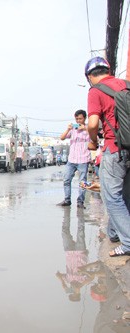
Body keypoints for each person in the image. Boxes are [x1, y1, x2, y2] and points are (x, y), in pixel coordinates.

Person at [85, 56, 130, 257]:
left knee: (111, 196)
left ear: (89, 76)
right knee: (124, 194)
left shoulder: (96, 91)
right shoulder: (126, 85)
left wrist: (93, 141)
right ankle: (114, 233)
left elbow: (93, 123)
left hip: (116, 147)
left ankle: (128, 243)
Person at [57, 110, 91, 209]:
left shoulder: (89, 129)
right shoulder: (73, 130)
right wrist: (68, 129)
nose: (78, 121)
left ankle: (80, 201)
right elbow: (62, 138)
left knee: (82, 182)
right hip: (71, 160)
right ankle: (67, 200)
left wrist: (85, 129)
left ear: (85, 118)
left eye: (80, 118)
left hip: (83, 159)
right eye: (76, 119)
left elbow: (95, 139)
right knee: (66, 180)